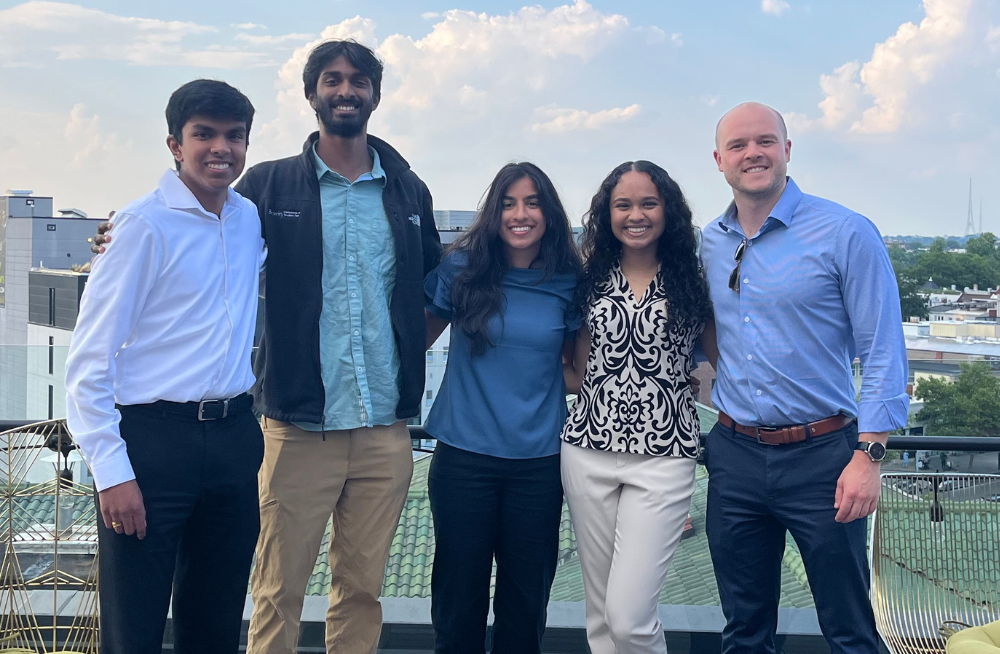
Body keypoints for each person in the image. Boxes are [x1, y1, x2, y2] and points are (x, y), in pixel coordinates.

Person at [93, 40, 442, 653]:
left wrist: (409, 351)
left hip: (384, 426)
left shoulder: (408, 191)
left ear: (375, 95)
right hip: (296, 425)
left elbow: (430, 287)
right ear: (311, 95)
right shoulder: (269, 186)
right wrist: (118, 235)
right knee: (275, 589)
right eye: (331, 79)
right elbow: (198, 218)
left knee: (362, 590)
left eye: (358, 81)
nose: (345, 90)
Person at [65, 79, 265, 654]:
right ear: (175, 144)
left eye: (234, 136)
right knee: (135, 626)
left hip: (232, 440)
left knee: (217, 620)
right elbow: (88, 362)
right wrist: (112, 471)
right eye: (204, 134)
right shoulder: (141, 226)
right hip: (153, 445)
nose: (220, 148)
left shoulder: (248, 219)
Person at [701, 102, 908, 654]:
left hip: (825, 457)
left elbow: (884, 349)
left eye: (765, 141)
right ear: (719, 159)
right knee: (744, 630)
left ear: (787, 150)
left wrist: (871, 456)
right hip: (735, 454)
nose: (754, 154)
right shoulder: (710, 242)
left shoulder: (845, 232)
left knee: (849, 629)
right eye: (739, 146)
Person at [422, 162, 582, 654]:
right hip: (463, 460)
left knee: (525, 602)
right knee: (458, 598)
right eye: (509, 203)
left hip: (538, 465)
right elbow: (411, 346)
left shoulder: (570, 281)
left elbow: (579, 373)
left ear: (550, 213)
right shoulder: (461, 269)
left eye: (532, 202)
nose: (520, 214)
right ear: (493, 213)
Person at [561, 161, 715, 654]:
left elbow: (727, 359)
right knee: (600, 615)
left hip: (665, 454)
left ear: (668, 210)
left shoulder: (695, 279)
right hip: (587, 448)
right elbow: (578, 367)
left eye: (648, 203)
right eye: (622, 205)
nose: (635, 215)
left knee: (629, 617)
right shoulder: (588, 276)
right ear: (606, 214)